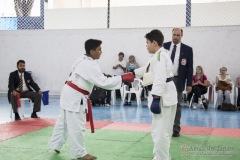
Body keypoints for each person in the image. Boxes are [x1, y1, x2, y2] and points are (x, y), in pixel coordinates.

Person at [48, 39, 134, 160]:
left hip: (68, 92)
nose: (101, 52)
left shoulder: (81, 59)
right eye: (99, 49)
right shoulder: (90, 64)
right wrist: (122, 78)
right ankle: (79, 153)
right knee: (77, 125)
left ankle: (55, 144)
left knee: (64, 122)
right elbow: (103, 82)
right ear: (92, 51)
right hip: (75, 96)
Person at [134, 29, 177, 160]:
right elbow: (146, 69)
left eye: (147, 42)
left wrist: (156, 98)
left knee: (160, 132)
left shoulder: (159, 56)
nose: (146, 45)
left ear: (154, 42)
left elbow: (159, 78)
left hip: (162, 97)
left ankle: (162, 158)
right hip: (167, 95)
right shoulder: (159, 55)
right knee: (163, 131)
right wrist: (132, 74)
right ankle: (160, 157)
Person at [163, 28, 193, 137]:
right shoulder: (164, 46)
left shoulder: (187, 49)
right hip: (165, 79)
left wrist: (189, 83)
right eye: (174, 35)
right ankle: (165, 127)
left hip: (178, 80)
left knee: (177, 104)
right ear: (171, 35)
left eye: (178, 35)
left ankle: (176, 128)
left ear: (182, 36)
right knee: (164, 103)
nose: (175, 37)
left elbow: (190, 68)